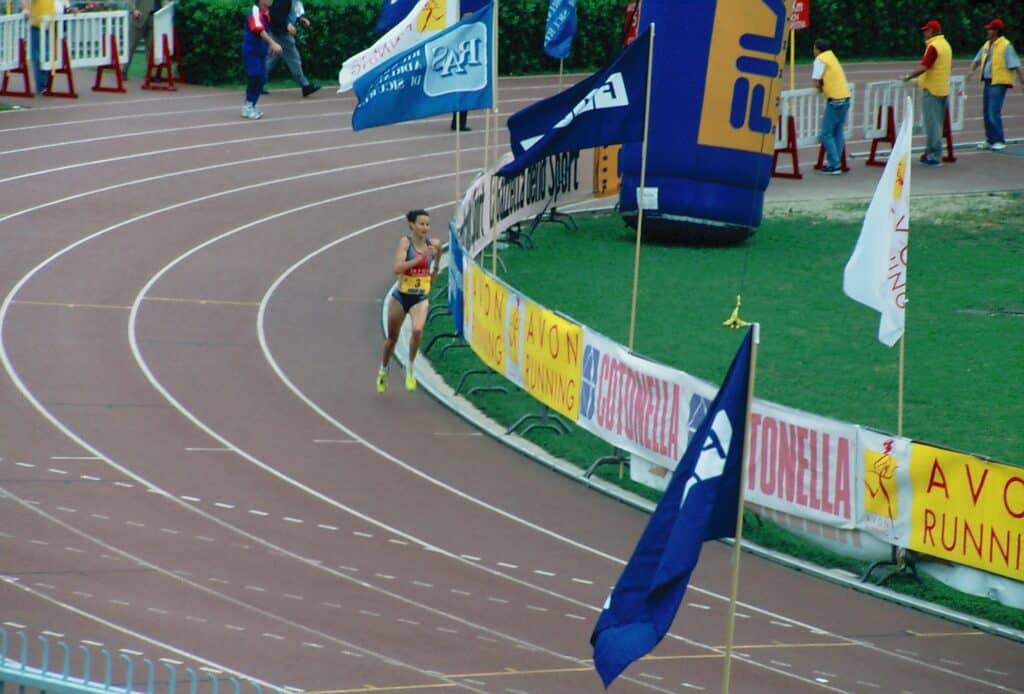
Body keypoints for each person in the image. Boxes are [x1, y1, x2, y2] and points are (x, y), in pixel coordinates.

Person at [377, 210, 443, 393]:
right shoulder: (405, 243)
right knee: (392, 339)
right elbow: (397, 269)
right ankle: (384, 369)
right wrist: (419, 259)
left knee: (418, 329)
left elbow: (439, 251)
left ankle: (410, 366)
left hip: (420, 297)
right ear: (412, 225)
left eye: (427, 224)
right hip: (401, 296)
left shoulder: (434, 244)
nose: (425, 228)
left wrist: (435, 269)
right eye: (421, 224)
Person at [966, 18, 1024, 152]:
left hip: (999, 82)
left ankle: (998, 140)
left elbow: (1015, 65)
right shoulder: (987, 45)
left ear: (997, 31)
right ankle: (990, 139)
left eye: (990, 29)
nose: (988, 31)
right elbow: (977, 59)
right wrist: (971, 71)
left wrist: (1022, 81)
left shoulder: (1006, 46)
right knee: (986, 112)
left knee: (993, 111)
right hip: (988, 81)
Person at [902, 19, 951, 167]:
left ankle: (934, 156)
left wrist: (909, 76)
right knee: (937, 124)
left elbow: (924, 67)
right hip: (942, 88)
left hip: (932, 90)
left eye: (926, 30)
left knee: (933, 125)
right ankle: (932, 152)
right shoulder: (946, 45)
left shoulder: (933, 47)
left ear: (932, 31)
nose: (924, 33)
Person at [264, 0, 320, 97]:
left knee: (271, 60)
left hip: (278, 32)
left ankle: (257, 82)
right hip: (281, 34)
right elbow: (274, 15)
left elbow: (292, 13)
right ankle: (305, 85)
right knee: (294, 59)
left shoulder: (295, 1)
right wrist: (287, 25)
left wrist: (301, 19)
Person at [811, 38, 850, 175]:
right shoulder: (832, 57)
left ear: (818, 49)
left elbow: (816, 80)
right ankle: (836, 161)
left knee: (826, 134)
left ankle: (834, 164)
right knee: (838, 131)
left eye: (814, 48)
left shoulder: (820, 59)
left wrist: (820, 88)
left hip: (834, 99)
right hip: (845, 96)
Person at [21, 0, 75, 94]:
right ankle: (41, 85)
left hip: (52, 25)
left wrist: (72, 10)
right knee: (38, 56)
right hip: (37, 25)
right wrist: (26, 9)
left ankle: (45, 84)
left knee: (48, 55)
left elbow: (65, 6)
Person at [241, 0, 281, 120]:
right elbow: (258, 29)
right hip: (251, 51)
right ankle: (247, 106)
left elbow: (266, 30)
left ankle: (252, 105)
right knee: (255, 75)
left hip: (261, 51)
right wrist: (272, 43)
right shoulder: (255, 11)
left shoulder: (267, 13)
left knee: (262, 77)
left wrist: (268, 47)